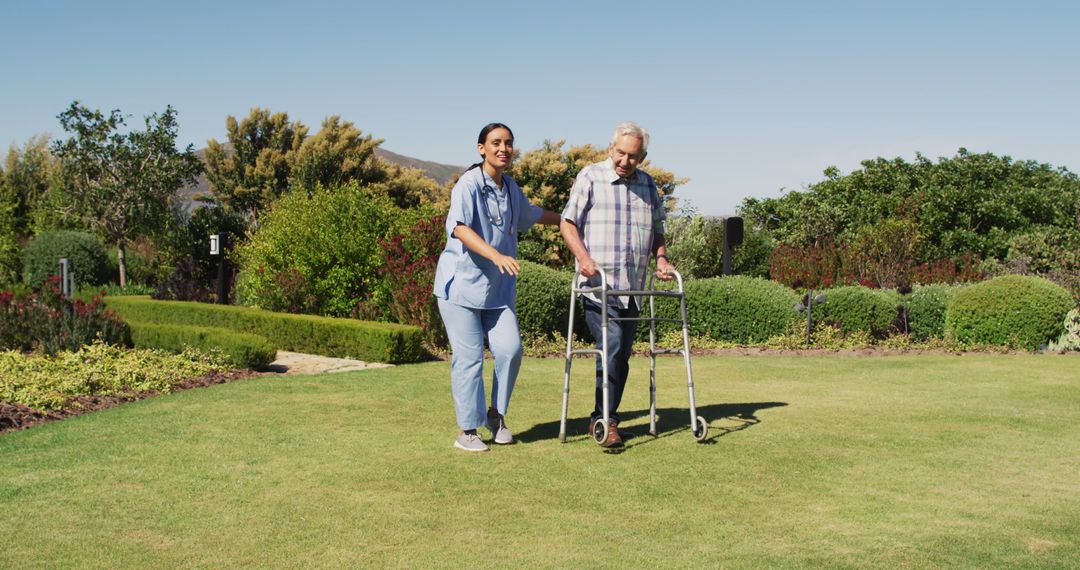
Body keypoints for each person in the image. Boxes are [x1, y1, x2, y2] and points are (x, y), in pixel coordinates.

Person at [434, 123, 561, 452]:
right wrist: (496, 254)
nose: (503, 148)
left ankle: (496, 415)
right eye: (496, 143)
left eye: (508, 143)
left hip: (497, 292)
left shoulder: (510, 188)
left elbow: (530, 215)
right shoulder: (468, 184)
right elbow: (460, 229)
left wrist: (568, 220)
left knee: (510, 349)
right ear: (481, 148)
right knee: (470, 357)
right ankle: (467, 431)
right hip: (460, 288)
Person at [560, 121, 675, 447]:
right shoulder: (591, 176)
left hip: (633, 287)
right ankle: (606, 420)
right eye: (621, 153)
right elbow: (568, 223)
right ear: (611, 149)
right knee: (610, 346)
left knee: (621, 356)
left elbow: (657, 230)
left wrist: (662, 258)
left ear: (643, 157)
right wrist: (582, 257)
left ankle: (601, 416)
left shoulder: (649, 185)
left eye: (633, 156)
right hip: (599, 284)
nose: (625, 161)